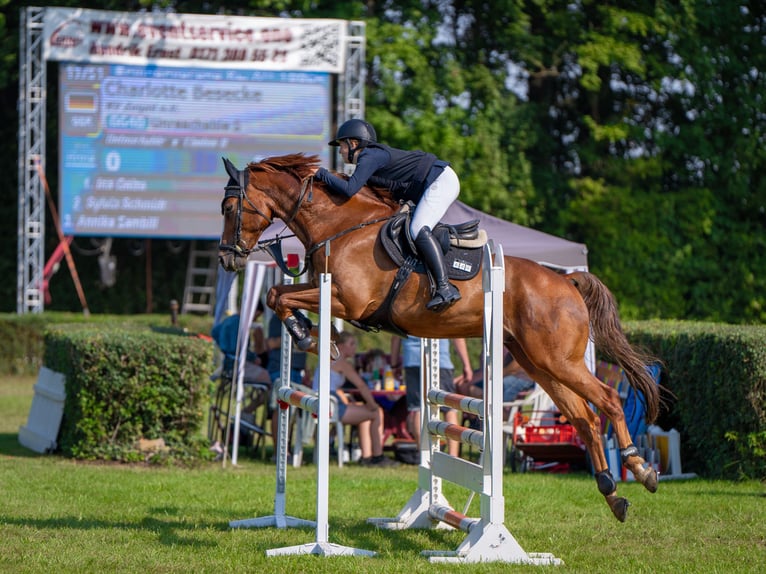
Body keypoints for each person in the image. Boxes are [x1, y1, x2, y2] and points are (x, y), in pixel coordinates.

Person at [312, 118, 462, 311]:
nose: (340, 151)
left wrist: (320, 173)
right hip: (429, 184)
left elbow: (349, 189)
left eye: (341, 145)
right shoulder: (371, 161)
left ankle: (445, 287)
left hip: (441, 180)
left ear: (353, 143)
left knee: (417, 229)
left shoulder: (369, 156)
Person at [313, 331, 397, 467]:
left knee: (364, 412)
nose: (355, 347)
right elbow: (361, 385)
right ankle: (377, 456)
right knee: (376, 413)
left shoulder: (328, 359)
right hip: (330, 404)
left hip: (323, 401)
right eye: (351, 344)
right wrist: (373, 405)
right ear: (340, 346)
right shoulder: (341, 363)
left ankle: (367, 456)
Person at [390, 335, 473, 457]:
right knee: (449, 409)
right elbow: (458, 337)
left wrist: (394, 364)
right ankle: (453, 456)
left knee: (418, 409)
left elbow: (395, 337)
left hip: (412, 360)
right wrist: (466, 364)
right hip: (440, 360)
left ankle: (424, 456)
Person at [266, 313, 308, 456]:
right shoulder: (278, 317)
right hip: (280, 369)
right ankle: (279, 452)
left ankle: (290, 450)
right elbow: (271, 343)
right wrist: (295, 335)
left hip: (297, 371)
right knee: (281, 407)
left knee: (294, 410)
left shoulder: (301, 317)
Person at [456, 348, 536, 403]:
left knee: (496, 387)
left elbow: (517, 365)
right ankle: (478, 418)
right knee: (473, 389)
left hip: (521, 377)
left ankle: (500, 414)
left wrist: (499, 375)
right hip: (507, 374)